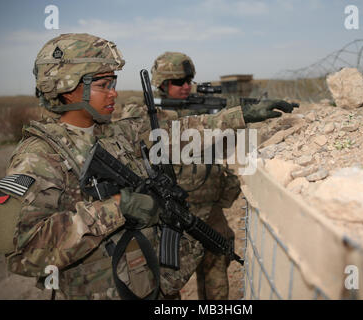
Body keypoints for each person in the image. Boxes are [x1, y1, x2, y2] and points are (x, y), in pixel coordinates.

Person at [0, 34, 204, 300]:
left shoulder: (116, 133)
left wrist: (244, 116)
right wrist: (118, 208)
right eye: (103, 84)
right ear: (66, 86)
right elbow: (21, 253)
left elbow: (184, 130)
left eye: (114, 82)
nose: (114, 92)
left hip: (150, 287)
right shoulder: (35, 157)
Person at [112, 52, 294, 299]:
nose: (186, 86)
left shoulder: (202, 107)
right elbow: (165, 136)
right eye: (178, 81)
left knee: (217, 267)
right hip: (169, 210)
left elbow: (220, 139)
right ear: (162, 84)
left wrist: (240, 114)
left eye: (189, 80)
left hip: (209, 207)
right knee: (165, 278)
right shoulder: (145, 113)